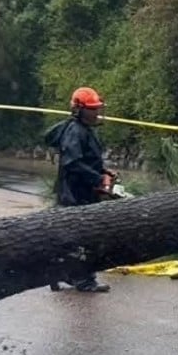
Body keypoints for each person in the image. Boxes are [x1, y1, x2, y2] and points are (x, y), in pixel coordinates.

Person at [44, 87, 114, 293]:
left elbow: (87, 160)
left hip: (82, 191)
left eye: (97, 108)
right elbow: (73, 163)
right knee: (85, 237)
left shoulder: (84, 130)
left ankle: (59, 274)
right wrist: (98, 179)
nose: (96, 113)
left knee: (73, 237)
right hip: (74, 194)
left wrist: (103, 171)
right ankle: (84, 280)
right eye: (92, 109)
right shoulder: (75, 131)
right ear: (79, 110)